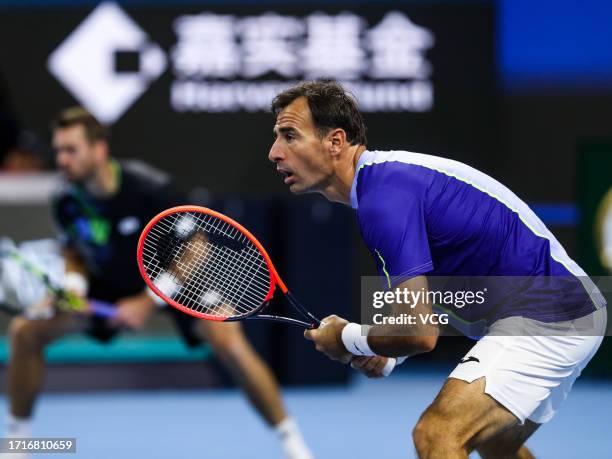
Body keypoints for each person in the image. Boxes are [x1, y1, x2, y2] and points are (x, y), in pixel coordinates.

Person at [267, 81, 606, 458]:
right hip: (571, 309)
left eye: (290, 136)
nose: (274, 153)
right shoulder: (382, 189)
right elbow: (445, 294)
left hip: (550, 314)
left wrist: (348, 337)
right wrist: (392, 353)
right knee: (495, 446)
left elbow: (419, 332)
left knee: (437, 434)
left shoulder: (384, 200)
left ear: (335, 142)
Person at [6, 107, 313, 459]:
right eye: (58, 150)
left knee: (228, 340)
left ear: (99, 150)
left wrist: (147, 301)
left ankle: (293, 443)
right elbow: (73, 249)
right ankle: (17, 446)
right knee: (24, 332)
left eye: (71, 150)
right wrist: (74, 287)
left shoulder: (149, 187)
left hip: (176, 280)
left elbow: (197, 247)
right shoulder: (65, 197)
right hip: (107, 285)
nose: (61, 159)